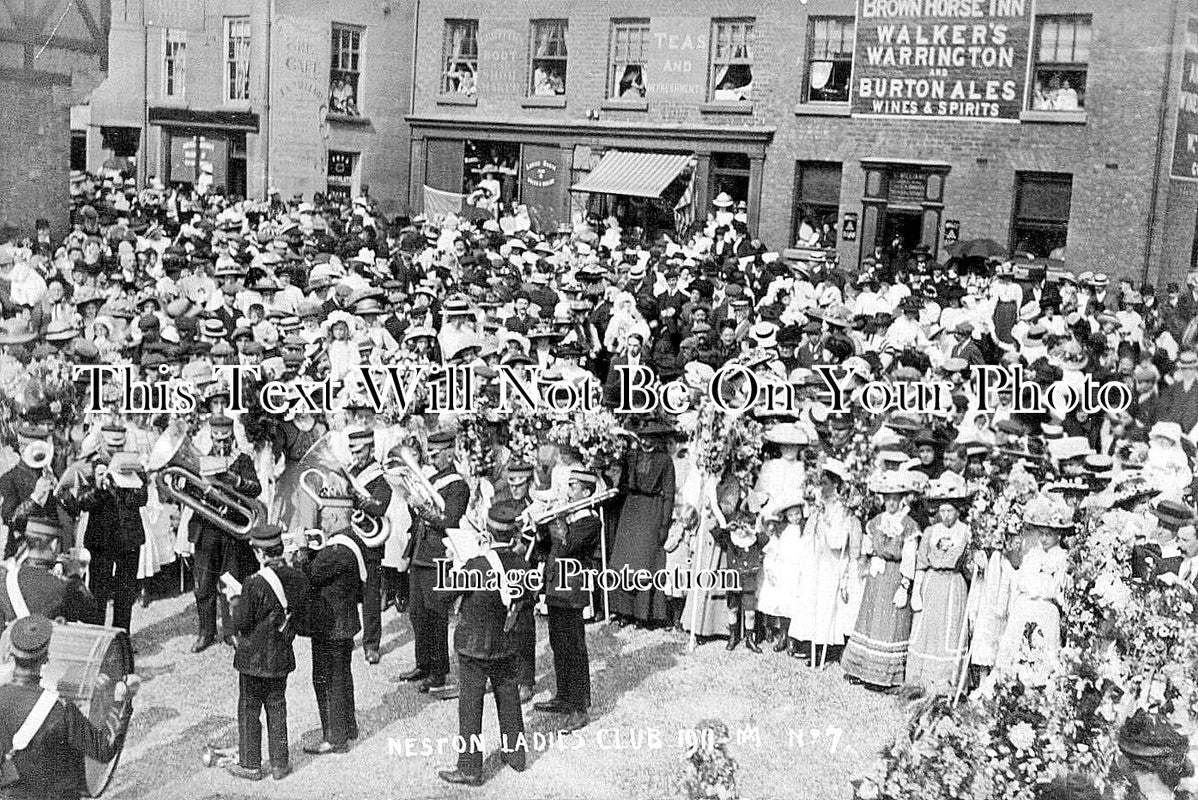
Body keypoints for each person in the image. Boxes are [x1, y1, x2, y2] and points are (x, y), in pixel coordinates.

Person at [436, 504, 531, 786]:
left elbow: (442, 599)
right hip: (506, 642)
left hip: (473, 645)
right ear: (514, 534)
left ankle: (470, 769)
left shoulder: (475, 565)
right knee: (509, 697)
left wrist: (454, 562)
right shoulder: (522, 565)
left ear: (487, 532)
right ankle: (516, 756)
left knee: (470, 706)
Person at [0, 615, 138, 800]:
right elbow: (104, 749)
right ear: (46, 657)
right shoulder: (60, 710)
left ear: (11, 653)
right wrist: (121, 701)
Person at [224, 524, 309, 782]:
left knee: (249, 708)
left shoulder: (254, 583)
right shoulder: (297, 577)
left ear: (260, 554)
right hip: (281, 654)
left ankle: (250, 764)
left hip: (253, 658)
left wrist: (233, 600)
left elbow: (241, 622)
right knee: (277, 706)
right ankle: (280, 764)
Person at [399, 430, 469, 698]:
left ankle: (438, 673)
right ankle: (423, 664)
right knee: (417, 614)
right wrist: (413, 503)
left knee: (436, 616)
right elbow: (417, 517)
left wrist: (423, 508)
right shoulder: (433, 478)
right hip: (420, 551)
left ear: (450, 452)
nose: (433, 458)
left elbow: (450, 520)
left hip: (438, 555)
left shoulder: (457, 485)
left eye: (439, 454)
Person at [534, 468, 602, 733]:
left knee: (574, 647)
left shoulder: (589, 521)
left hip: (572, 589)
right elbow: (545, 550)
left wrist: (557, 519)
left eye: (573, 487)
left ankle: (579, 707)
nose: (568, 491)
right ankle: (564, 696)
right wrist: (540, 528)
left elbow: (566, 546)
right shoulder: (571, 516)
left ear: (586, 491)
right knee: (558, 643)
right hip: (554, 586)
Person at [185, 415, 260, 652]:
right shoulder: (201, 458)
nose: (221, 445)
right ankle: (206, 633)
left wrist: (234, 481)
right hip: (206, 529)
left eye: (225, 440)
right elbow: (186, 488)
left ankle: (232, 631)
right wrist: (203, 490)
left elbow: (255, 488)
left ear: (232, 436)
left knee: (232, 582)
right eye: (216, 440)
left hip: (232, 531)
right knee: (204, 585)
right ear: (211, 437)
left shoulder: (243, 460)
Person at [842, 471, 921, 688]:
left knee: (889, 622)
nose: (891, 503)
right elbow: (866, 547)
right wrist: (867, 556)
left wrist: (904, 585)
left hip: (894, 576)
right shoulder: (876, 521)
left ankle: (883, 675)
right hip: (876, 576)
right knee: (869, 620)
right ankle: (860, 668)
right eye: (887, 498)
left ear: (902, 498)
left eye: (895, 498)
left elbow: (909, 557)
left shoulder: (909, 525)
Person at [301, 493, 365, 755]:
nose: (322, 523)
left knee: (326, 680)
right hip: (344, 623)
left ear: (337, 517)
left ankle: (334, 737)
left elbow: (309, 577)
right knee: (342, 678)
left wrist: (302, 553)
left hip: (330, 626)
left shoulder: (335, 551)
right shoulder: (350, 541)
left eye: (325, 517)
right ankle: (347, 727)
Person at [904, 473, 972, 693]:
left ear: (958, 510)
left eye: (950, 510)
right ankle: (921, 681)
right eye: (942, 510)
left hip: (954, 584)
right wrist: (916, 592)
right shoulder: (931, 532)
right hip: (932, 583)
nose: (945, 515)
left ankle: (947, 683)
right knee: (928, 628)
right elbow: (922, 561)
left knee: (949, 630)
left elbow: (969, 566)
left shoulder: (966, 532)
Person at [609, 422, 675, 628]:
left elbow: (669, 494)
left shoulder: (665, 461)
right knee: (623, 560)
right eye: (643, 437)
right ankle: (623, 610)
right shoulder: (631, 457)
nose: (646, 442)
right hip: (631, 509)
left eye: (651, 438)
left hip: (651, 510)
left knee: (644, 563)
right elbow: (621, 483)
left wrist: (664, 524)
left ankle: (643, 614)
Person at [74, 451, 147, 632]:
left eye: (119, 444)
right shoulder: (90, 466)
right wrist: (98, 487)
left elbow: (142, 498)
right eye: (111, 445)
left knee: (126, 592)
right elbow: (81, 503)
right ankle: (97, 636)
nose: (114, 449)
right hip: (100, 541)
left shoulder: (134, 464)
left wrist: (119, 486)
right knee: (98, 591)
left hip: (128, 539)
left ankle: (122, 636)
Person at [344, 427, 392, 665]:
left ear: (371, 449)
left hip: (371, 542)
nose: (356, 455)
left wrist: (356, 497)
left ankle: (371, 644)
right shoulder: (351, 471)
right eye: (352, 450)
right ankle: (348, 634)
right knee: (346, 591)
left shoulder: (380, 476)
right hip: (352, 539)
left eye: (360, 450)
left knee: (371, 595)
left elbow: (379, 506)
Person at [0, 518, 96, 630]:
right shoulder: (67, 588)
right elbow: (92, 614)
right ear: (54, 545)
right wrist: (75, 575)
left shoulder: (4, 577)